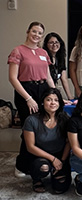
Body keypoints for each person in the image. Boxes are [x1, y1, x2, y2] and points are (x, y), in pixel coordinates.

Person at [8, 21, 55, 178]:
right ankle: (21, 165)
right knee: (29, 129)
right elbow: (13, 78)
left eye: (40, 33)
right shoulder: (18, 51)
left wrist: (55, 94)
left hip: (42, 90)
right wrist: (28, 98)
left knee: (43, 128)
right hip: (25, 91)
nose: (37, 35)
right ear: (28, 32)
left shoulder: (43, 52)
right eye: (34, 31)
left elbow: (48, 76)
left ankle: (39, 162)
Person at [22, 88, 71, 193]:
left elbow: (69, 143)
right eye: (48, 100)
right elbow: (30, 147)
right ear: (42, 102)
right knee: (43, 168)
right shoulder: (31, 120)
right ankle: (36, 179)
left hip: (60, 155)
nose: (53, 103)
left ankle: (55, 171)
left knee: (60, 188)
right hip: (39, 155)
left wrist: (61, 161)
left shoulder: (65, 118)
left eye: (56, 100)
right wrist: (53, 159)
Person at [43, 32, 74, 100]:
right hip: (43, 92)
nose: (54, 45)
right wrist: (57, 96)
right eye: (51, 43)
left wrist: (70, 97)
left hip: (52, 92)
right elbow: (48, 79)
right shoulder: (44, 58)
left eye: (56, 42)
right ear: (46, 45)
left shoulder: (60, 59)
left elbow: (64, 79)